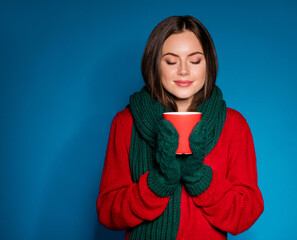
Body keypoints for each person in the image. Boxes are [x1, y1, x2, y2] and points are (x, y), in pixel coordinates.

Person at [96, 15, 264, 240]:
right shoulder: (127, 122)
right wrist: (158, 182)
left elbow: (246, 212)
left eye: (194, 61)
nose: (183, 71)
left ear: (208, 64)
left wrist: (199, 177)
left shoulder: (233, 124)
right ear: (154, 64)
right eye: (171, 61)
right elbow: (108, 211)